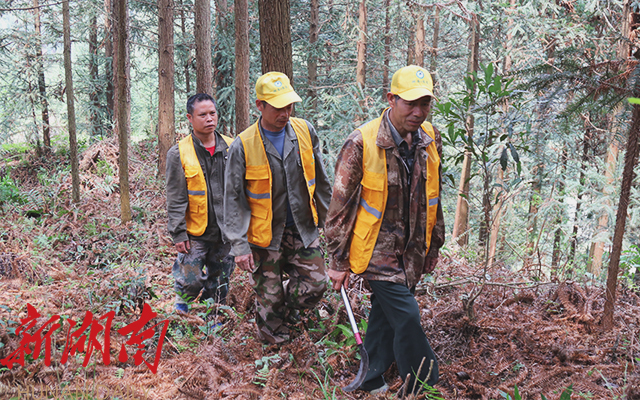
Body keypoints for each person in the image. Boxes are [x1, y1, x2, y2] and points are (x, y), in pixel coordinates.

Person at [325, 65, 444, 393]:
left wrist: (433, 246)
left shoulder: (429, 141)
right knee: (407, 315)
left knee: (383, 316)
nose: (418, 112)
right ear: (391, 99)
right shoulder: (361, 142)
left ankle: (370, 379)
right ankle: (423, 386)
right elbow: (339, 208)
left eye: (425, 104)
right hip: (374, 250)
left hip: (411, 251)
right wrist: (337, 261)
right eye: (410, 103)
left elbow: (435, 196)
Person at [224, 72, 332, 344]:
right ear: (260, 105)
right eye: (277, 107)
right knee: (269, 303)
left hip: (302, 227)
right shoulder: (243, 145)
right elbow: (233, 199)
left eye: (288, 106)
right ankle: (275, 346)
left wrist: (331, 221)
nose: (285, 113)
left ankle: (280, 295)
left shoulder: (305, 131)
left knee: (316, 286)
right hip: (264, 235)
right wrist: (239, 246)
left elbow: (320, 180)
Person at [166, 93, 235, 313]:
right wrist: (178, 233)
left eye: (212, 113)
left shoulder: (233, 148)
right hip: (195, 231)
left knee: (221, 277)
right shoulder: (179, 153)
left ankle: (213, 314)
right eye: (202, 114)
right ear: (190, 117)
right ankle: (182, 308)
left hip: (226, 230)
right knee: (190, 279)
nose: (209, 119)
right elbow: (175, 197)